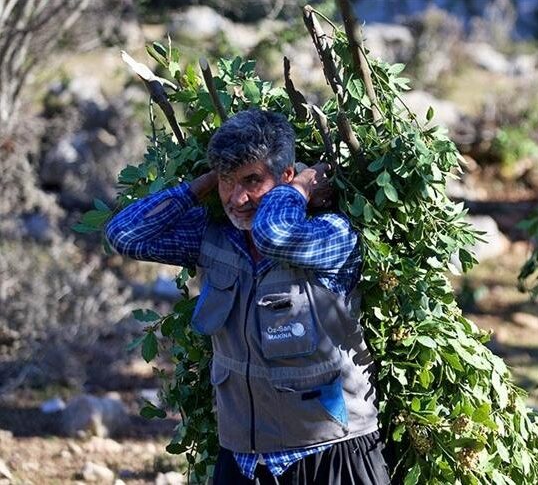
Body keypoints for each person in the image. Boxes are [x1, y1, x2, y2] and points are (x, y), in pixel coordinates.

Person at [106, 109, 389, 484]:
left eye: (251, 180)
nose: (238, 198)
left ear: (286, 175)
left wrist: (299, 189)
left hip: (330, 454)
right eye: (228, 181)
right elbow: (126, 234)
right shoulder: (216, 238)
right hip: (244, 462)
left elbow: (274, 236)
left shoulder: (332, 233)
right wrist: (204, 183)